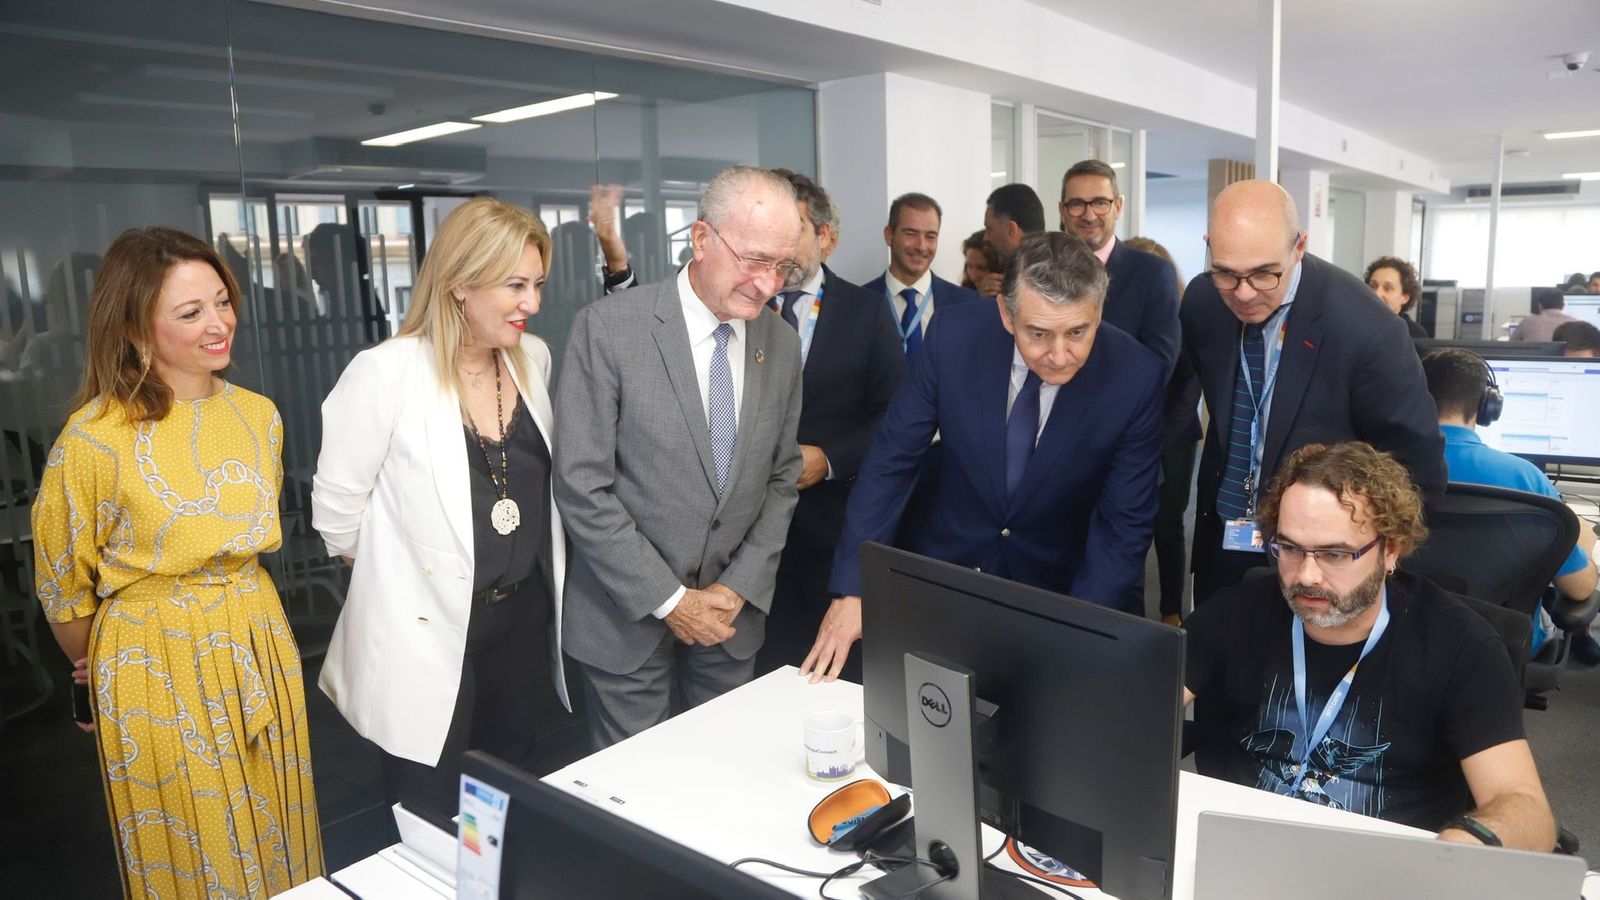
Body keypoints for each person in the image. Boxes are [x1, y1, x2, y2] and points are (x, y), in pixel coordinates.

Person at [31, 226, 323, 897]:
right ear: (134, 329)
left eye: (222, 301)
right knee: (201, 851)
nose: (218, 324)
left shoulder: (260, 416)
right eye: (191, 313)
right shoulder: (96, 438)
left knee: (279, 825)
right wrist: (97, 662)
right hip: (154, 661)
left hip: (255, 634)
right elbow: (62, 586)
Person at [803, 231, 1165, 682]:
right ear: (1006, 313)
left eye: (1078, 331)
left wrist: (1079, 632)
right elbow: (891, 462)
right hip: (949, 571)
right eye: (1038, 333)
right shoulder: (954, 336)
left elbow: (1123, 526)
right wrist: (853, 588)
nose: (1058, 355)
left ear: (1098, 312)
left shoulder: (1135, 376)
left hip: (1061, 586)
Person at [313, 197, 571, 825]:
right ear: (459, 284)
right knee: (428, 796)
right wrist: (401, 577)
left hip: (520, 615)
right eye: (514, 285)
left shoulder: (530, 359)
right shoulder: (385, 372)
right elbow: (336, 514)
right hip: (427, 625)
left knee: (507, 780)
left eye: (536, 284)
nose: (532, 303)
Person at [1183, 441, 1558, 851]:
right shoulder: (1234, 614)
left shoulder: (1460, 647)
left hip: (1383, 867)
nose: (1306, 575)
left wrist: (1464, 846)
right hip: (1237, 848)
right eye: (1289, 548)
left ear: (1391, 550)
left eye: (1335, 554)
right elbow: (1139, 714)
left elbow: (1526, 810)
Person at [554, 166, 805, 748]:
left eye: (782, 266)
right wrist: (670, 601)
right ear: (700, 239)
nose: (768, 285)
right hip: (626, 614)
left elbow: (782, 478)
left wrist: (736, 588)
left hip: (730, 615)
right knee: (635, 793)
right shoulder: (609, 330)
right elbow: (580, 485)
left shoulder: (782, 343)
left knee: (725, 769)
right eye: (753, 260)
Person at [1181, 180, 1444, 605]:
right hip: (1223, 537)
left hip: (1322, 564)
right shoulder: (1202, 301)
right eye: (1226, 272)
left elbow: (1419, 471)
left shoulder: (1366, 330)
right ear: (1209, 247)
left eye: (1265, 273)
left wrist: (1368, 563)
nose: (1244, 293)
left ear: (1299, 246)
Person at [750, 171, 906, 680]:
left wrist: (830, 458)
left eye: (790, 229)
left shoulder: (866, 312)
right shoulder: (743, 308)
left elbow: (894, 413)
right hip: (746, 533)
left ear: (826, 237)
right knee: (753, 672)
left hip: (830, 528)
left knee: (825, 673)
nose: (776, 246)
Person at [1421, 348, 1599, 660]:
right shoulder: (1526, 479)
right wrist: (1579, 533)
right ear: (1487, 407)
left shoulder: (1383, 469)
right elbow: (1579, 590)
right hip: (1502, 642)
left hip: (1398, 633)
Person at [1127, 235, 1201, 624]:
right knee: (1127, 523)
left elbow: (1189, 391)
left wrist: (1153, 439)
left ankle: (1172, 609)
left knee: (1168, 525)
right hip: (1127, 439)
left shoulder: (1185, 318)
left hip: (1173, 440)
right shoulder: (1121, 314)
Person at [1059, 160, 1179, 373]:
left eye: (1100, 203)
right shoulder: (1043, 270)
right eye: (1077, 204)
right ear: (1062, 210)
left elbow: (1159, 364)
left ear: (1118, 206)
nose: (1089, 215)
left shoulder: (1152, 273)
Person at [863, 192, 981, 361]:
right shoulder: (860, 303)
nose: (921, 246)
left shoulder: (967, 304)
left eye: (930, 236)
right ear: (889, 235)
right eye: (911, 233)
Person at [980, 182, 1046, 295]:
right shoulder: (1003, 272)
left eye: (989, 229)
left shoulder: (1055, 279)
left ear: (1011, 229)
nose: (986, 238)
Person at [1364, 255, 1428, 339]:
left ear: (1405, 297)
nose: (1377, 293)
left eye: (1388, 288)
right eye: (1373, 286)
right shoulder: (1357, 323)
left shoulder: (1413, 333)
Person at [1511, 288, 1579, 342]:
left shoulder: (1527, 321)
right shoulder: (1575, 324)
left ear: (1540, 306)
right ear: (1563, 306)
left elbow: (1511, 346)